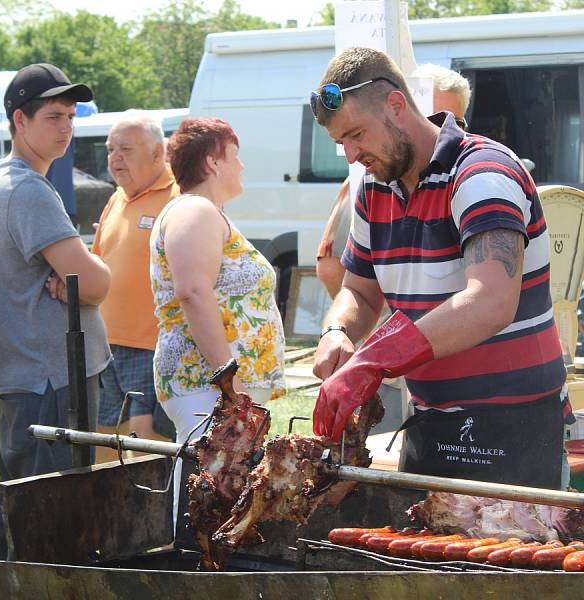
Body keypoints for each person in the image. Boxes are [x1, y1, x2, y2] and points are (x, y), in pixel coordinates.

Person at [310, 47, 567, 490]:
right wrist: (338, 332)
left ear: (396, 105)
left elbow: (489, 302)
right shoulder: (374, 189)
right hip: (429, 421)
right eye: (341, 143)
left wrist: (373, 361)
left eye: (356, 135)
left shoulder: (482, 173)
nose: (351, 155)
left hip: (514, 424)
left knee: (509, 558)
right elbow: (360, 291)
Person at [0, 63, 110, 575]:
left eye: (70, 116)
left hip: (35, 374)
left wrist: (81, 275)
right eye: (53, 115)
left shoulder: (18, 183)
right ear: (19, 120)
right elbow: (96, 284)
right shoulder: (28, 189)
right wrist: (92, 272)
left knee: (20, 507)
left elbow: (82, 281)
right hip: (47, 376)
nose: (65, 127)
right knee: (49, 523)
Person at [150, 117, 287, 518]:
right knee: (203, 502)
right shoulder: (195, 209)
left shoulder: (205, 213)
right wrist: (231, 386)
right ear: (212, 161)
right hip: (207, 386)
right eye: (235, 156)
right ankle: (189, 574)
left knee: (219, 500)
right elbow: (192, 292)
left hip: (217, 389)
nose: (242, 166)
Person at [316, 64, 472, 299]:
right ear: (401, 110)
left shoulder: (475, 174)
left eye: (454, 122)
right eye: (429, 117)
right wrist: (351, 327)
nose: (439, 129)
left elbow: (490, 298)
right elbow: (333, 270)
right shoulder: (371, 181)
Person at [91, 111, 176, 462]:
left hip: (149, 346)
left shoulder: (178, 197)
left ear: (158, 153)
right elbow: (98, 261)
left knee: (145, 445)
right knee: (103, 439)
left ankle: (152, 515)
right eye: (111, 149)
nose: (115, 158)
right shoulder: (116, 199)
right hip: (104, 345)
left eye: (125, 149)